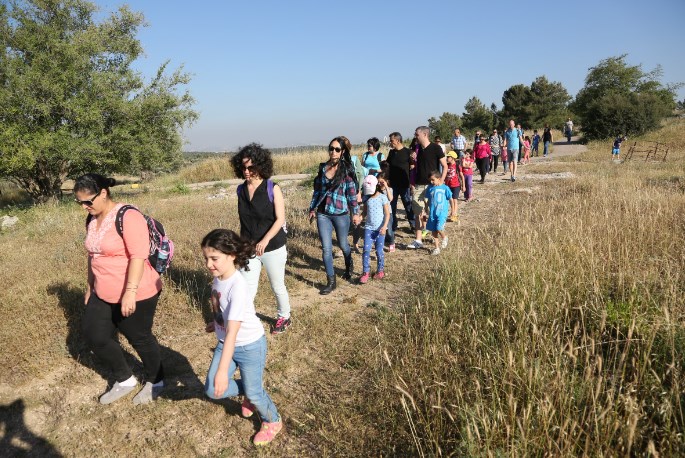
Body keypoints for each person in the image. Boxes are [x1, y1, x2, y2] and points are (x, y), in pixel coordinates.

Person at [75, 173, 164, 405]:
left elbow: (138, 256)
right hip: (102, 291)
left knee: (139, 337)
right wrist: (90, 286)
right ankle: (125, 379)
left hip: (136, 289)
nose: (85, 207)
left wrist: (130, 293)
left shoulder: (128, 216)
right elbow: (92, 255)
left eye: (88, 201)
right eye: (80, 203)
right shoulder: (92, 219)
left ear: (103, 193)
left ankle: (157, 380)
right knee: (94, 334)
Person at [201, 229, 282, 446]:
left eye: (214, 258)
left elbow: (233, 333)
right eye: (206, 258)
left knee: (254, 393)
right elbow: (223, 310)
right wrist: (216, 322)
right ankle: (249, 387)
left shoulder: (237, 286)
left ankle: (272, 420)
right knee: (212, 390)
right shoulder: (219, 278)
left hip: (249, 346)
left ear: (232, 255)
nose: (209, 264)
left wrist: (221, 372)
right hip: (225, 341)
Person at [230, 143, 291, 335]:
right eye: (243, 167)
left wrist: (264, 241)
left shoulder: (273, 188)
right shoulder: (241, 190)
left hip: (273, 246)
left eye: (250, 167)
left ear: (260, 166)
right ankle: (244, 319)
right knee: (246, 288)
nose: (246, 171)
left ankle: (284, 316)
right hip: (249, 247)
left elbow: (280, 219)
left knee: (277, 285)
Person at [309, 137, 361, 295]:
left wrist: (356, 213)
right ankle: (331, 281)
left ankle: (348, 265)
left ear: (343, 151)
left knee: (343, 244)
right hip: (323, 214)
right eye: (331, 148)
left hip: (341, 214)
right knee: (326, 249)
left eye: (337, 149)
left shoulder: (346, 170)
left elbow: (352, 195)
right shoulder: (323, 168)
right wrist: (312, 209)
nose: (333, 151)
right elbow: (317, 190)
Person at [406, 126, 447, 250]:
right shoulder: (416, 149)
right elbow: (413, 166)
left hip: (432, 186)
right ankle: (418, 240)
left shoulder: (436, 148)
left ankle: (442, 237)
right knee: (418, 212)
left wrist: (441, 182)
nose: (415, 136)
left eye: (417, 134)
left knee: (434, 212)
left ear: (424, 134)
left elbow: (444, 166)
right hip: (419, 185)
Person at [359, 175, 390, 284]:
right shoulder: (366, 199)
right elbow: (365, 212)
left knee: (379, 250)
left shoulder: (382, 197)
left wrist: (384, 226)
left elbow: (387, 214)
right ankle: (365, 272)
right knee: (366, 250)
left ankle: (380, 271)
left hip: (380, 229)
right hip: (369, 228)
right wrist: (359, 218)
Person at [386, 132, 415, 232]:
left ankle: (413, 225)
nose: (390, 142)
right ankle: (393, 226)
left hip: (404, 184)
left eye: (392, 140)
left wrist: (412, 182)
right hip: (393, 185)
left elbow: (412, 167)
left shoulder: (408, 152)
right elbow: (388, 166)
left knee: (408, 205)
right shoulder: (391, 152)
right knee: (392, 207)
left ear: (398, 140)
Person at [421, 171, 452, 255]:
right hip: (432, 213)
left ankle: (444, 237)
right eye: (430, 180)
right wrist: (426, 209)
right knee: (434, 231)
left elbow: (450, 199)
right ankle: (436, 248)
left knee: (438, 228)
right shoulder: (430, 188)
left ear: (439, 179)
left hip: (442, 212)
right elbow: (428, 200)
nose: (431, 182)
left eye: (433, 180)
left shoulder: (445, 188)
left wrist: (453, 210)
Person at [376, 170, 395, 252]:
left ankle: (392, 243)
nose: (380, 184)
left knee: (389, 231)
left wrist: (386, 187)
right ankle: (380, 244)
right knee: (380, 229)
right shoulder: (376, 190)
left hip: (388, 213)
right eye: (378, 182)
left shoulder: (389, 189)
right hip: (379, 213)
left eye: (382, 182)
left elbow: (390, 199)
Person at [444, 151, 463, 221]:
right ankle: (452, 211)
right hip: (448, 185)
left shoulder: (457, 165)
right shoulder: (446, 165)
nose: (447, 158)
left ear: (452, 158)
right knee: (450, 199)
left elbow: (461, 176)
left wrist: (463, 186)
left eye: (448, 157)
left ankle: (454, 214)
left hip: (456, 185)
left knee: (455, 199)